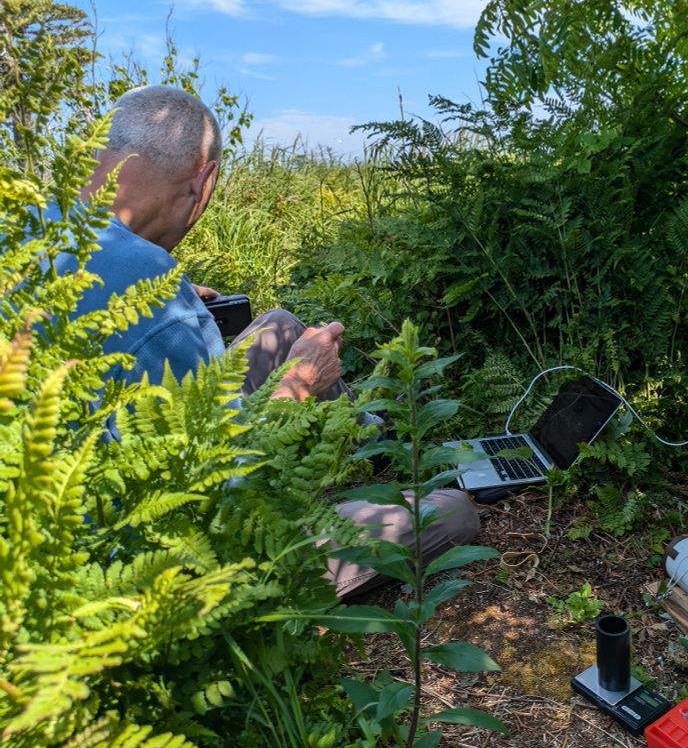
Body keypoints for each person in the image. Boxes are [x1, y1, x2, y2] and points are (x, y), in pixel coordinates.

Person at [65, 85, 479, 597]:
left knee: (280, 324)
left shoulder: (29, 232)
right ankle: (368, 467)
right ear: (205, 179)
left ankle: (367, 441)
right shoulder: (158, 300)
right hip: (160, 570)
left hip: (64, 506)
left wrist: (176, 309)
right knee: (455, 513)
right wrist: (297, 385)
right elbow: (227, 493)